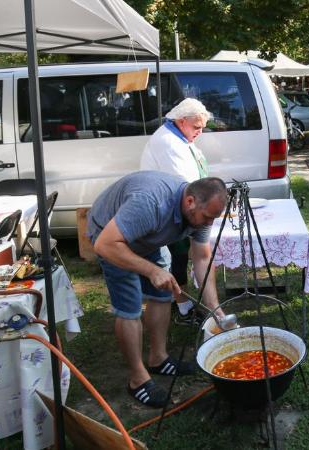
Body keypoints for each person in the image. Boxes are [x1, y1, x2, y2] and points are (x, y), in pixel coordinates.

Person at [87, 173, 228, 407]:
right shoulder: (151, 204)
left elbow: (202, 258)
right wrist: (151, 271)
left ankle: (158, 358)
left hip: (149, 237)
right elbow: (105, 244)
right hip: (110, 237)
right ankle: (138, 380)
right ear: (190, 201)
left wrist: (214, 308)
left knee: (164, 292)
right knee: (130, 307)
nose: (209, 224)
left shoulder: (201, 213)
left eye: (213, 219)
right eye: (207, 217)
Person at [140, 98, 211, 325]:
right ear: (182, 121)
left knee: (183, 258)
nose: (200, 132)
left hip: (182, 208)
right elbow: (184, 183)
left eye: (202, 127)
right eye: (197, 127)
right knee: (176, 259)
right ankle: (182, 308)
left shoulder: (180, 136)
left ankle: (185, 303)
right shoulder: (168, 142)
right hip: (168, 211)